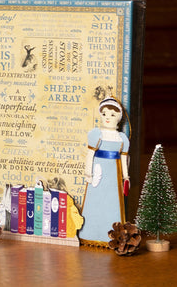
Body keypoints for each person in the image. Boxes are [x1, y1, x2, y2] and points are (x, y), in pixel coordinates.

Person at [78, 97, 130, 246]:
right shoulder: (96, 135)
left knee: (112, 203)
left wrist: (126, 177)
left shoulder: (122, 139)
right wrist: (89, 173)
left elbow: (123, 159)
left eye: (112, 115)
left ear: (118, 118)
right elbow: (90, 155)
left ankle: (112, 236)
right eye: (105, 114)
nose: (108, 118)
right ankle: (90, 234)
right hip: (98, 174)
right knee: (95, 203)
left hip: (113, 174)